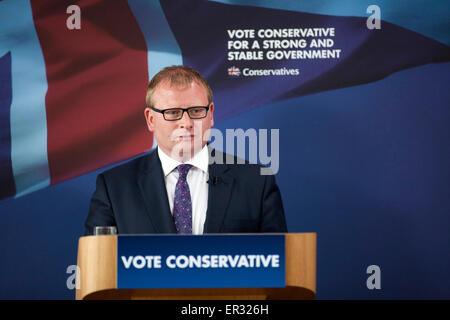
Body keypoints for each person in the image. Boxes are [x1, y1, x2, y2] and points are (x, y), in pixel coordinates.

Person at [85, 66, 287, 235]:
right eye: (173, 113)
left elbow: (279, 267)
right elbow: (99, 269)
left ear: (211, 114)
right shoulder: (114, 187)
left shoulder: (257, 181)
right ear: (150, 119)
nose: (187, 122)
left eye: (196, 111)